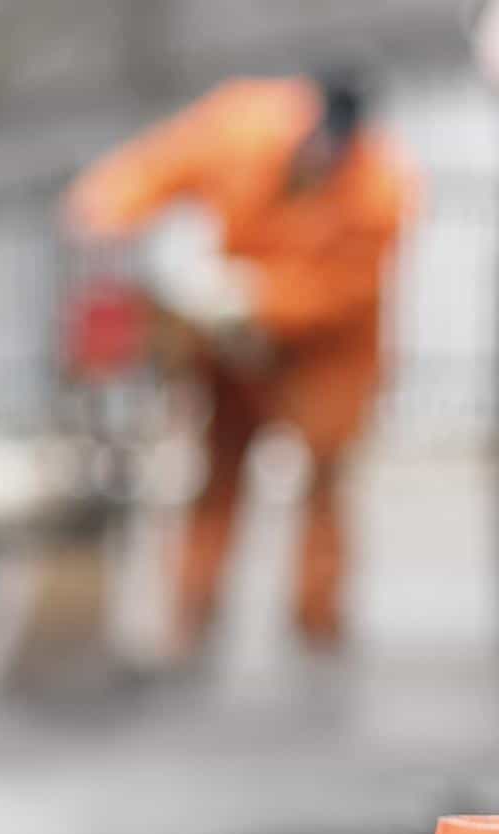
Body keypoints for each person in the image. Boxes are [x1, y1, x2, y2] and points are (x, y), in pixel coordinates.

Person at [64, 70, 411, 664]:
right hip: (230, 345)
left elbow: (347, 287)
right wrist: (106, 214)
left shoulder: (381, 189)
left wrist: (256, 298)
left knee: (324, 480)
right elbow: (155, 167)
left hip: (328, 353)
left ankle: (318, 621)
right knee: (219, 470)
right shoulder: (241, 130)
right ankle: (192, 617)